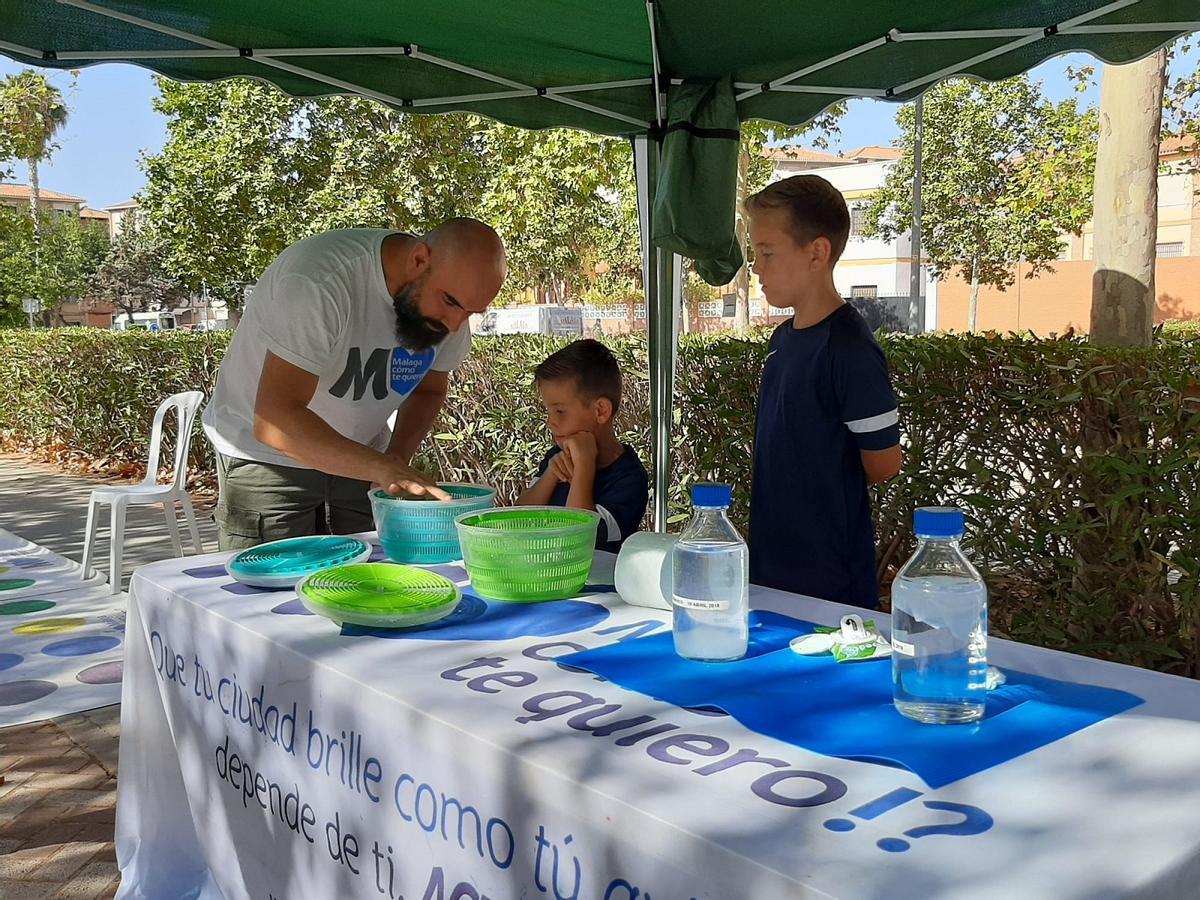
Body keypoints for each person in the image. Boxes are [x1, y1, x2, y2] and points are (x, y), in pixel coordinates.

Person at [202, 218, 506, 551]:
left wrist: (396, 458)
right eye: (450, 302)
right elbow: (275, 419)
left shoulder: (449, 309)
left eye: (472, 313)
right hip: (269, 461)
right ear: (419, 259)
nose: (454, 324)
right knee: (266, 594)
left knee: (368, 587)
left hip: (360, 460)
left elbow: (428, 390)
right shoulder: (319, 281)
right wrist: (381, 466)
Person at [746, 175, 902, 609]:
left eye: (767, 253)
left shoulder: (849, 347)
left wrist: (820, 487)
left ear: (817, 252)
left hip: (831, 580)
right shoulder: (782, 340)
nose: (756, 267)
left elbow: (884, 462)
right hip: (772, 565)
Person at [516, 339, 648, 553]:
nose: (551, 422)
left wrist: (584, 465)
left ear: (600, 411)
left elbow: (579, 537)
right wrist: (550, 474)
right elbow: (518, 519)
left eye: (560, 411)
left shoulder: (628, 477)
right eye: (548, 411)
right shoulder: (556, 457)